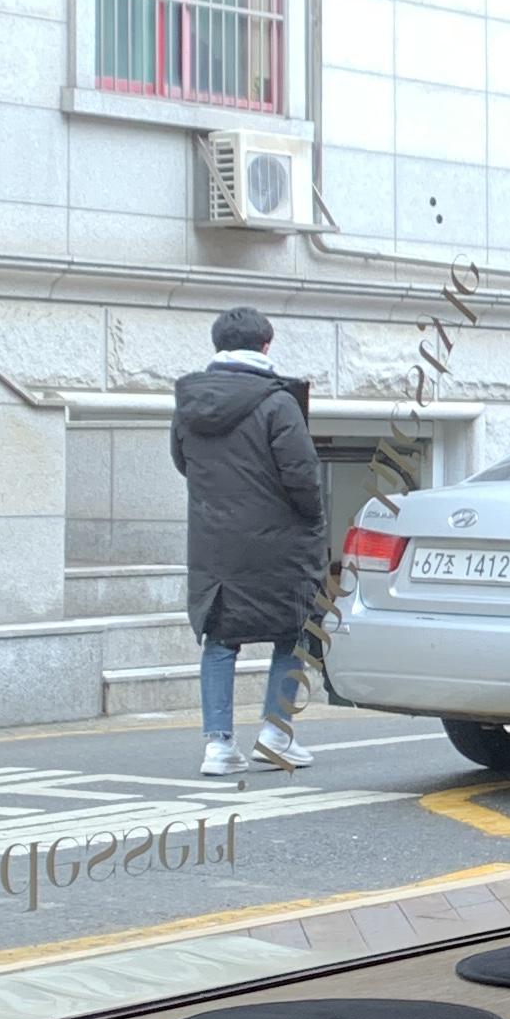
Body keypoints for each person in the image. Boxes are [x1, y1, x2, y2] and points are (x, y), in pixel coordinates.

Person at [170, 304, 328, 779]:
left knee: (220, 638)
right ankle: (276, 735)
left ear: (218, 346)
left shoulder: (190, 403)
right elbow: (302, 476)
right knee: (295, 631)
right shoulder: (278, 403)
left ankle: (218, 746)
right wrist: (313, 522)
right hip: (280, 542)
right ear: (266, 345)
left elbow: (183, 462)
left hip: (214, 543)